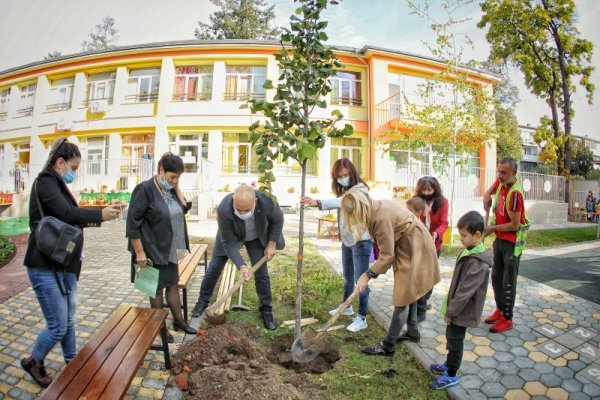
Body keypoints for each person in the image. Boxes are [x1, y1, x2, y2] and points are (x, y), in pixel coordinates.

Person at [21, 138, 121, 388]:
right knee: (57, 325)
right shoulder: (45, 182)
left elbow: (69, 215)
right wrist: (100, 215)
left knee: (68, 321)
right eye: (74, 168)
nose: (75, 173)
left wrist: (102, 210)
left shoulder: (55, 184)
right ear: (60, 162)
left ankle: (72, 360)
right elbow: (66, 214)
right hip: (44, 266)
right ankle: (34, 361)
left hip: (62, 265)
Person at [341, 188, 440, 356]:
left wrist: (367, 275)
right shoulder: (376, 207)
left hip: (416, 246)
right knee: (410, 291)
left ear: (359, 209)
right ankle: (413, 332)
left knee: (402, 297)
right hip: (408, 244)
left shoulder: (380, 217)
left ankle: (388, 346)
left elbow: (387, 256)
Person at [191, 185, 284, 330]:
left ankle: (266, 310)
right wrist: (242, 265)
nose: (242, 213)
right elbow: (228, 244)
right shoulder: (224, 209)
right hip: (232, 235)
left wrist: (271, 244)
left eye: (246, 210)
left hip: (256, 237)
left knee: (261, 273)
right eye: (238, 209)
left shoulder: (267, 201)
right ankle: (202, 301)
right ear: (233, 200)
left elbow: (278, 219)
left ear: (255, 201)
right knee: (214, 267)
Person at [126, 153, 196, 339]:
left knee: (172, 285)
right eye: (172, 176)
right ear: (160, 170)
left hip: (168, 247)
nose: (174, 181)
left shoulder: (171, 189)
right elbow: (132, 224)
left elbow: (183, 208)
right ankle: (160, 327)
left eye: (178, 178)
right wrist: (140, 252)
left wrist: (176, 186)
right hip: (149, 249)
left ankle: (179, 321)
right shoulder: (144, 190)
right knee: (155, 289)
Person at [301, 158, 372, 333]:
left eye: (346, 175)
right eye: (339, 176)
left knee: (361, 281)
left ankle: (362, 318)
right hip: (348, 241)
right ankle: (347, 307)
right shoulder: (346, 191)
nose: (343, 178)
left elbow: (341, 202)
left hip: (361, 241)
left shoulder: (360, 190)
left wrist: (317, 202)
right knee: (348, 277)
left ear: (352, 173)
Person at [428, 211, 492, 390]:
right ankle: (448, 365)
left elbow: (465, 291)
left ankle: (451, 375)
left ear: (477, 235)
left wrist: (451, 311)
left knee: (455, 341)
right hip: (458, 307)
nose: (461, 239)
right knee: (452, 337)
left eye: (464, 236)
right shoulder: (470, 250)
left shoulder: (478, 261)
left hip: (462, 309)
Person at [482, 157, 528, 333]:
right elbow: (492, 188)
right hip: (500, 241)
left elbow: (514, 225)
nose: (500, 176)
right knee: (496, 278)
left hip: (511, 244)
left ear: (513, 173)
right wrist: (487, 194)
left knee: (508, 282)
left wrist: (491, 228)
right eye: (498, 172)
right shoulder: (501, 181)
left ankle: (507, 319)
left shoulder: (515, 194)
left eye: (504, 173)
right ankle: (499, 310)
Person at [414, 176, 449, 322]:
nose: (426, 193)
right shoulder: (416, 200)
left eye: (429, 190)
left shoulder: (442, 202)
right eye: (424, 190)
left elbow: (444, 222)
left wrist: (436, 233)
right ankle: (418, 301)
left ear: (435, 189)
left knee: (429, 275)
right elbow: (411, 216)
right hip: (418, 243)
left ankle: (423, 301)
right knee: (417, 273)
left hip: (434, 245)